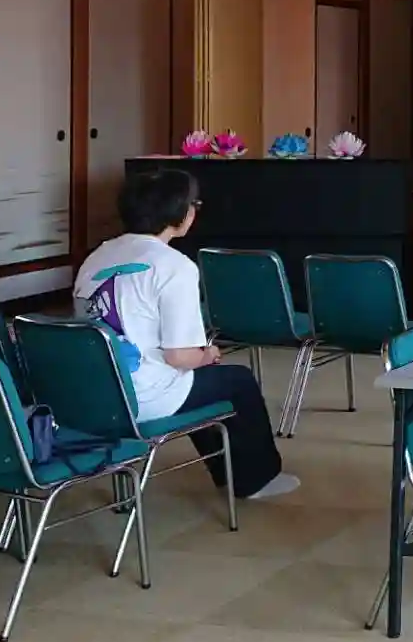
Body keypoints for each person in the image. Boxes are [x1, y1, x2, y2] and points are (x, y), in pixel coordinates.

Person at [74, 169, 297, 500]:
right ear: (179, 212)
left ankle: (226, 471)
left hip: (94, 395)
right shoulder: (174, 266)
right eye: (194, 204)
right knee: (237, 381)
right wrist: (208, 354)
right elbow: (179, 357)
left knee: (200, 382)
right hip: (142, 398)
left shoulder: (97, 256)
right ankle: (255, 480)